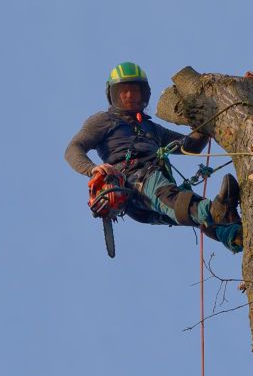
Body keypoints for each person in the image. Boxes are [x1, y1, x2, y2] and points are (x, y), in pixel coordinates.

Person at [65, 62, 241, 251]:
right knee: (182, 203)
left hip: (147, 196)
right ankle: (218, 211)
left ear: (144, 94)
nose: (129, 95)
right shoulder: (104, 120)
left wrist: (207, 124)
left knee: (189, 211)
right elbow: (73, 149)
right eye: (123, 91)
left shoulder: (151, 128)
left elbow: (190, 145)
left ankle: (234, 235)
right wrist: (92, 169)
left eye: (134, 91)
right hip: (135, 182)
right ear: (113, 95)